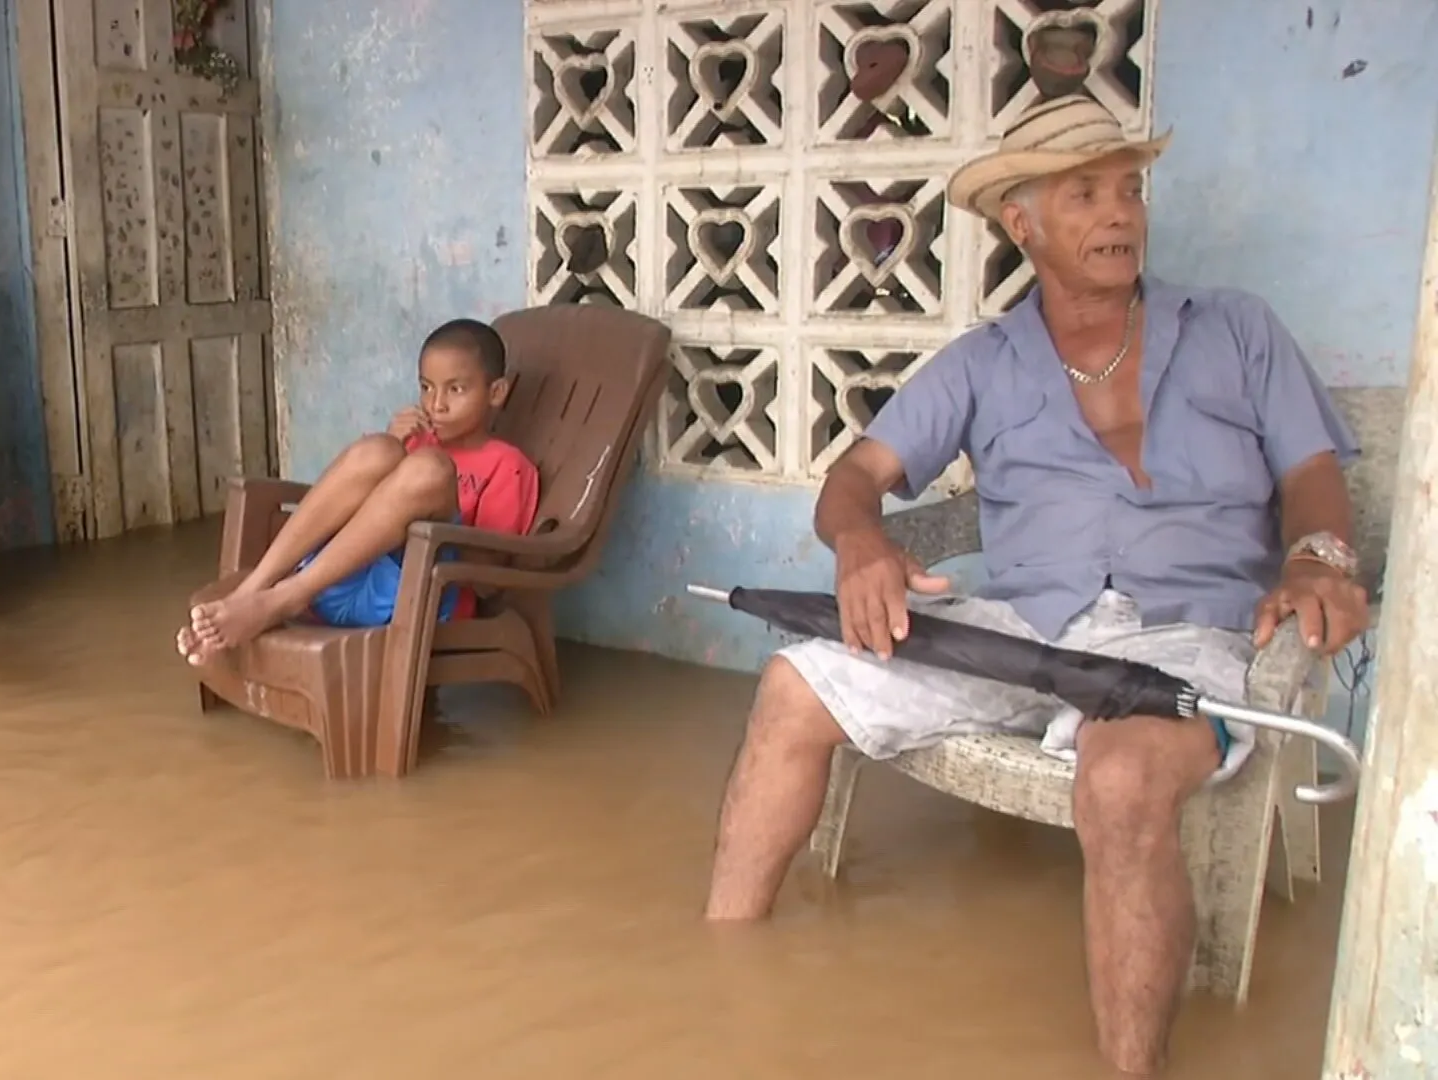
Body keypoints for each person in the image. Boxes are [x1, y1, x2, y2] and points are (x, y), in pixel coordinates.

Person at [701, 96, 1369, 1076]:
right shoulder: (981, 362)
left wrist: (1320, 555)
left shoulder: (1236, 330)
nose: (1120, 214)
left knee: (1125, 775)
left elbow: (1312, 474)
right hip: (1022, 627)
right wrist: (861, 544)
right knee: (792, 687)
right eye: (1086, 193)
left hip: (1188, 632)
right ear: (1022, 223)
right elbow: (853, 481)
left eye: (1130, 190)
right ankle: (717, 994)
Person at [177, 318, 540, 664]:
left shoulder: (507, 465)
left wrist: (436, 504)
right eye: (426, 387)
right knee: (378, 449)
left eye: (456, 389)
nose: (436, 404)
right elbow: (359, 512)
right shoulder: (411, 442)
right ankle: (251, 593)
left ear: (496, 392)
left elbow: (487, 582)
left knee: (430, 469)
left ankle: (282, 599)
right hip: (336, 579)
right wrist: (394, 442)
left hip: (417, 596)